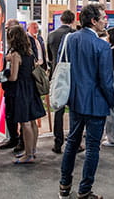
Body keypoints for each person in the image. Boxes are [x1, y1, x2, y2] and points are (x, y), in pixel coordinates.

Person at [59, 4, 114, 199]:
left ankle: (64, 186)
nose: (106, 20)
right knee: (92, 148)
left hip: (75, 101)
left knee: (72, 142)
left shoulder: (69, 39)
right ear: (93, 21)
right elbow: (106, 81)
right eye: (103, 17)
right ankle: (84, 190)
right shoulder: (102, 45)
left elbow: (61, 65)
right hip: (97, 103)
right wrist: (112, 101)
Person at [6, 25, 46, 164]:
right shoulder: (29, 52)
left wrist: (5, 75)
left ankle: (28, 154)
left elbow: (13, 77)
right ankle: (32, 150)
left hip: (21, 89)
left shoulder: (16, 55)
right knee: (33, 121)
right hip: (31, 88)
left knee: (25, 122)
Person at [48, 10, 76, 154]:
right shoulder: (74, 34)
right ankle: (73, 141)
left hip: (57, 74)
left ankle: (57, 142)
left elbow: (50, 57)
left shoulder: (51, 35)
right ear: (73, 20)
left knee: (58, 109)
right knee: (73, 110)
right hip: (72, 76)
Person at [0, 18, 24, 151]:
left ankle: (22, 141)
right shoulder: (10, 47)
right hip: (9, 87)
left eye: (9, 28)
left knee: (21, 115)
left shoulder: (24, 45)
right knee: (10, 114)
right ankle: (13, 138)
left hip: (19, 86)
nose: (7, 30)